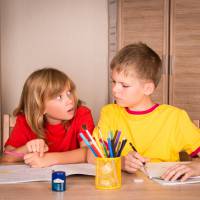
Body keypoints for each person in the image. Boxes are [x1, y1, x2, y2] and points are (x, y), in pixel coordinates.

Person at [87, 42, 200, 181]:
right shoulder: (110, 113)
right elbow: (91, 157)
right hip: (121, 190)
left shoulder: (175, 118)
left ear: (147, 89)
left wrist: (195, 167)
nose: (115, 89)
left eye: (124, 85)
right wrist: (121, 162)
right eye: (114, 82)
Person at [2, 68, 94, 167]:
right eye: (59, 97)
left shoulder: (81, 114)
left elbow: (89, 152)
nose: (70, 100)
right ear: (40, 107)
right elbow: (6, 157)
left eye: (68, 93)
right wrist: (27, 148)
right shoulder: (25, 121)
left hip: (74, 181)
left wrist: (50, 159)